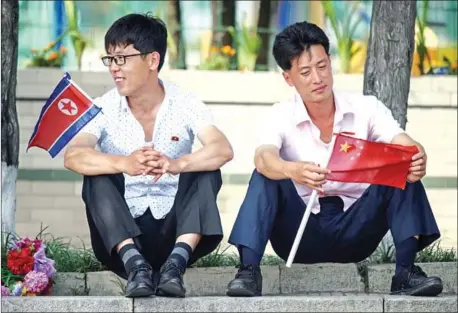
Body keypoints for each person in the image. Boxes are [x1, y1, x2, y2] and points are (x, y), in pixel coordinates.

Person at [225, 21, 443, 298]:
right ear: (289, 78)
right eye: (305, 71)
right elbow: (263, 157)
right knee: (266, 174)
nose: (317, 78)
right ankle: (248, 272)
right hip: (299, 234)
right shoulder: (280, 114)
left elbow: (403, 142)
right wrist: (292, 170)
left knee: (401, 170)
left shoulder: (366, 108)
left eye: (322, 66)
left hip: (356, 229)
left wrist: (417, 156)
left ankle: (406, 273)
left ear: (330, 62)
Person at [64, 13, 233, 298]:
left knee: (206, 167)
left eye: (122, 59)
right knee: (97, 173)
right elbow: (73, 155)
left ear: (152, 60)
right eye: (110, 60)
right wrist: (124, 163)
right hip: (122, 237)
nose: (114, 69)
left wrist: (176, 164)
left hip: (176, 232)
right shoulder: (102, 107)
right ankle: (136, 268)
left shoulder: (186, 103)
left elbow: (222, 149)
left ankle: (175, 266)